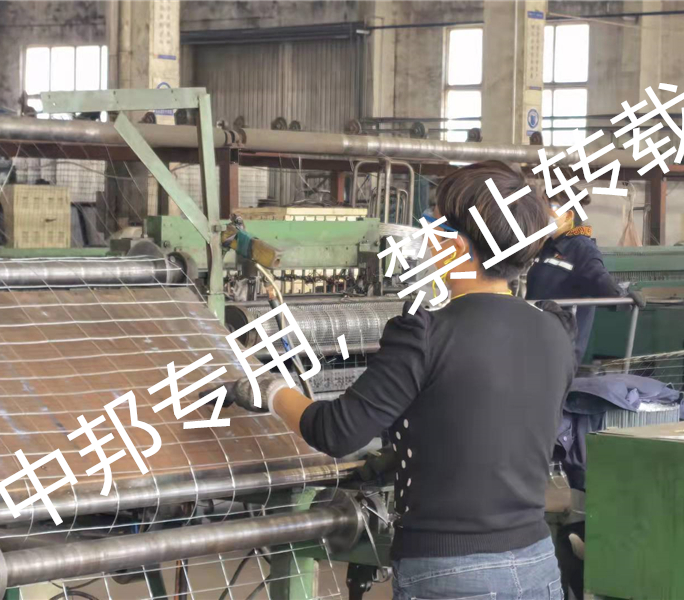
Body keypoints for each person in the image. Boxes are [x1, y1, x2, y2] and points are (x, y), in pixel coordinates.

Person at [226, 161, 576, 600]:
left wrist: (270, 389)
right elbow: (491, 421)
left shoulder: (427, 334)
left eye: (434, 226)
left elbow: (337, 431)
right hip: (536, 565)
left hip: (451, 576)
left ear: (455, 246)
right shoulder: (554, 330)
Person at [526, 193, 645, 365]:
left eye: (549, 208)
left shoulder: (582, 248)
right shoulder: (547, 247)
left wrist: (624, 297)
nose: (543, 213)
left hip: (561, 347)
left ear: (569, 216)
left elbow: (601, 281)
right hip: (536, 337)